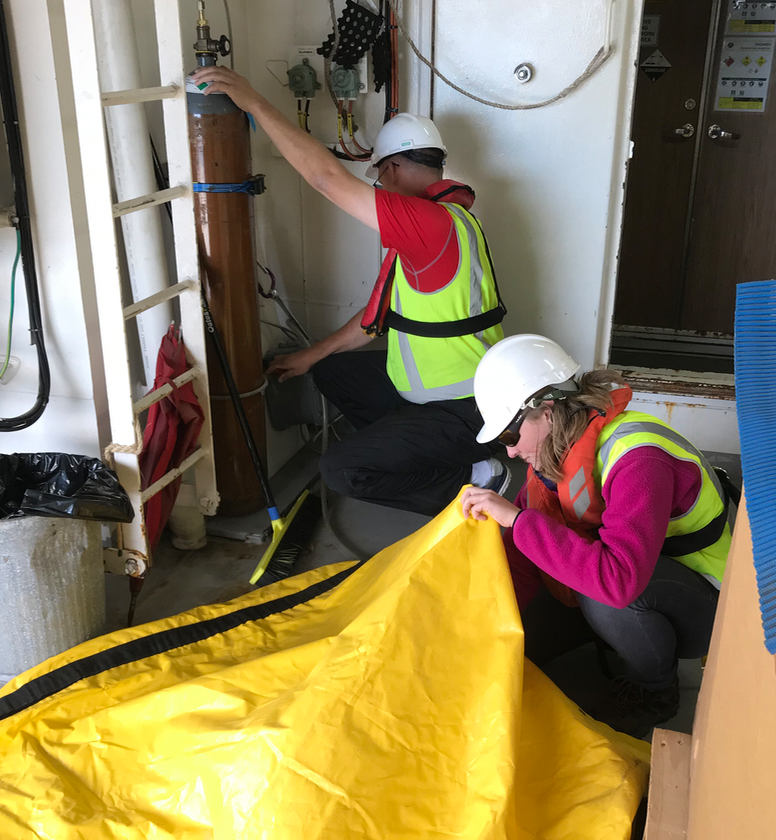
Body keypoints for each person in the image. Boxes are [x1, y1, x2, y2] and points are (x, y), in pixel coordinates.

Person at [191, 65, 509, 517]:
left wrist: (254, 102)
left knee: (341, 470)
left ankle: (474, 478)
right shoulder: (451, 219)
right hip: (457, 393)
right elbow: (380, 315)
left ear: (392, 168)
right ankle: (419, 449)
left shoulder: (428, 223)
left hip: (464, 409)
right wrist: (310, 356)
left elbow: (326, 178)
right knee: (333, 371)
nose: (381, 188)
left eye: (380, 177)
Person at [461, 334, 731, 738]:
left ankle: (655, 691)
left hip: (705, 598)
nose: (511, 453)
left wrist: (517, 521)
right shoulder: (554, 454)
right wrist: (484, 621)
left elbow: (618, 581)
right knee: (513, 644)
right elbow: (522, 555)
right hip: (635, 570)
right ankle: (609, 636)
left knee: (604, 597)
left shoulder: (638, 460)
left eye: (509, 437)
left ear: (546, 411)